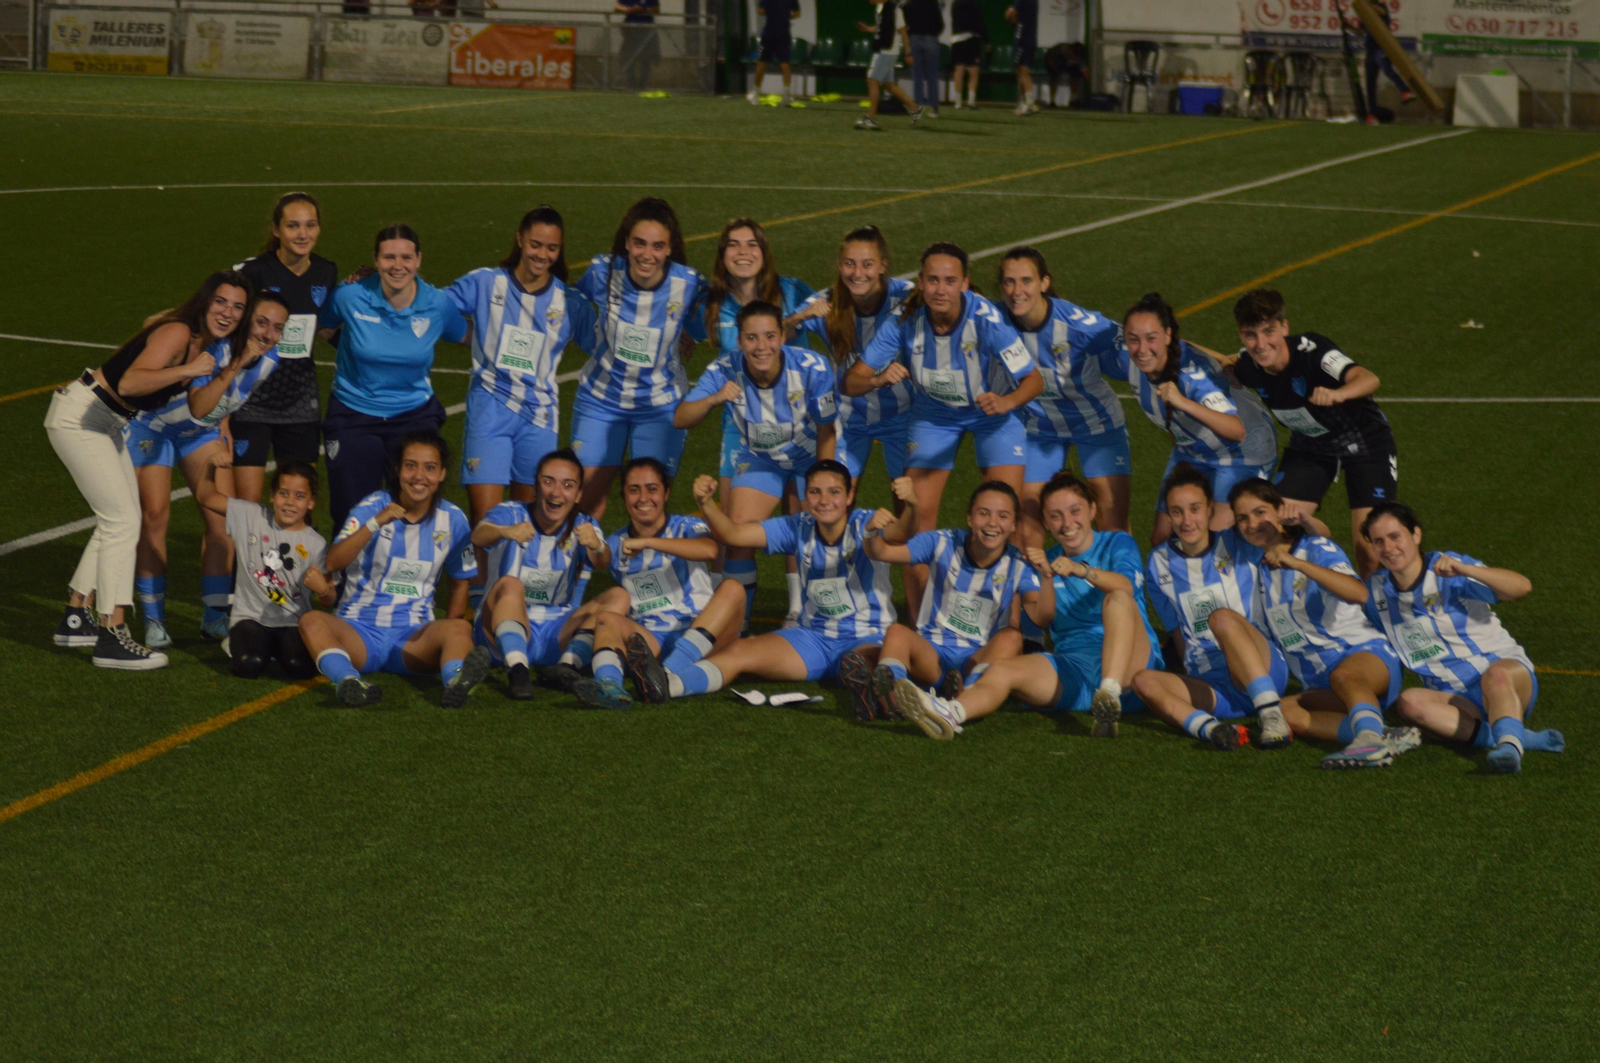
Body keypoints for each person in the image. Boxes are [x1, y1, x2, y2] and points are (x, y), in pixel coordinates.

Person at [47, 272, 250, 670]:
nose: (228, 312)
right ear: (205, 301)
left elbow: (151, 332)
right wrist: (186, 371)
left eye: (238, 307)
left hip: (105, 421)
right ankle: (112, 634)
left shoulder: (195, 339)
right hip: (83, 417)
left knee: (121, 520)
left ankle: (75, 618)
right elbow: (130, 380)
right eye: (221, 302)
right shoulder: (180, 334)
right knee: (123, 521)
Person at [891, 471, 1164, 739]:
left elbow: (1127, 586)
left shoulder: (1117, 542)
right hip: (1075, 668)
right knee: (1002, 669)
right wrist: (1044, 576)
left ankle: (1110, 692)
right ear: (1045, 522)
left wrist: (1081, 570)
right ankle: (951, 712)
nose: (1067, 523)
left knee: (1117, 597)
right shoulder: (1046, 562)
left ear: (1092, 510)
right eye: (1055, 516)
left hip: (1133, 670)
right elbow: (1039, 619)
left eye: (1074, 511)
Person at [854, 242, 1043, 614]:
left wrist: (1005, 402)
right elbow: (851, 381)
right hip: (934, 415)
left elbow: (1033, 381)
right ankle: (924, 623)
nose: (941, 289)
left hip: (994, 414)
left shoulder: (987, 319)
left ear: (965, 284)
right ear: (921, 282)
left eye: (950, 281)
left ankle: (1010, 628)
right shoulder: (904, 323)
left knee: (1004, 518)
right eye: (934, 280)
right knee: (917, 523)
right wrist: (877, 380)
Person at [626, 461, 909, 700]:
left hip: (866, 636)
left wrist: (911, 506)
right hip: (813, 639)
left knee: (865, 663)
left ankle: (877, 692)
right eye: (815, 492)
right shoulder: (798, 526)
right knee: (738, 652)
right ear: (806, 496)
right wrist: (706, 504)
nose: (824, 500)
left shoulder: (865, 523)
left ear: (849, 496)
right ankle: (668, 684)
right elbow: (735, 535)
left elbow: (900, 532)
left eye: (834, 492)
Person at [445, 205, 598, 607]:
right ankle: (478, 605)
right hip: (490, 411)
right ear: (519, 239)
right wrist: (470, 336)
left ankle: (521, 598)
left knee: (534, 518)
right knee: (488, 518)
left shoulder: (570, 302)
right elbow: (437, 309)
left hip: (540, 419)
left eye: (551, 248)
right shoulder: (485, 283)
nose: (542, 254)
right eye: (535, 244)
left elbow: (603, 344)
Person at [129, 290, 290, 647]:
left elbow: (226, 399)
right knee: (154, 516)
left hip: (198, 432)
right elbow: (199, 401)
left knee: (223, 523)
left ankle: (215, 618)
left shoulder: (270, 358)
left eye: (277, 328)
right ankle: (155, 619)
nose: (267, 334)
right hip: (152, 427)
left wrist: (226, 425)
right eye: (261, 323)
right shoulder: (213, 347)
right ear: (245, 319)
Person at [1228, 478, 1420, 769]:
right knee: (1284, 713)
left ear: (1280, 511)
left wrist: (1298, 564)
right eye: (1242, 518)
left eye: (1259, 512)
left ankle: (1368, 739)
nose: (1252, 523)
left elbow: (1358, 593)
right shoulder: (1257, 568)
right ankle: (1385, 736)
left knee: (1344, 676)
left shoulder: (1314, 547)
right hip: (1320, 683)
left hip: (1365, 657)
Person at [1362, 502, 1563, 774]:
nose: (1388, 548)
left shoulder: (1449, 568)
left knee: (1496, 677)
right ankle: (1516, 736)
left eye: (1395, 536)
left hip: (1506, 679)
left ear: (1416, 535)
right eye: (1379, 541)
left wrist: (1467, 570)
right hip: (1455, 700)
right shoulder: (1377, 591)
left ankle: (1509, 749)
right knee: (1408, 703)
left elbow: (1521, 587)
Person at [675, 301, 839, 627]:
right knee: (737, 533)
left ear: (782, 337)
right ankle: (737, 620)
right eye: (752, 338)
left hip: (811, 456)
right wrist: (713, 398)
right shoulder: (724, 369)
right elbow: (681, 418)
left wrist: (825, 484)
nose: (761, 347)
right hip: (763, 459)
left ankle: (809, 614)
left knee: (820, 530)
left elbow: (827, 431)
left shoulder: (813, 368)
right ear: (739, 341)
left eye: (769, 337)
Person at [299, 431, 490, 708]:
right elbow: (332, 562)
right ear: (398, 470)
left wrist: (448, 636)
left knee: (459, 627)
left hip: (413, 638)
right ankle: (349, 682)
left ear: (441, 474)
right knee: (311, 621)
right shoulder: (371, 507)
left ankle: (455, 682)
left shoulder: (453, 520)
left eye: (430, 468)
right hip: (359, 630)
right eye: (410, 465)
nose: (419, 476)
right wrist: (375, 523)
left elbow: (461, 581)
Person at [1219, 288, 1398, 577]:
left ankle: (1377, 616)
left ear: (1284, 327)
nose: (1261, 344)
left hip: (1365, 444)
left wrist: (1339, 394)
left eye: (1269, 331)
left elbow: (1368, 378)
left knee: (1371, 554)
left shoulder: (1313, 351)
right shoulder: (1250, 366)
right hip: (1311, 447)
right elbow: (1225, 361)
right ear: (1242, 336)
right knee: (1276, 529)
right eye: (1251, 335)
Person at [848, 480, 1051, 722]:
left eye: (1003, 516)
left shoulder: (1019, 564)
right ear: (969, 518)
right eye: (983, 513)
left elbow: (1041, 616)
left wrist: (1047, 577)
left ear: (1014, 524)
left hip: (977, 659)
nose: (992, 523)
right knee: (896, 632)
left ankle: (967, 694)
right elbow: (882, 552)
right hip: (931, 654)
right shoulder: (942, 542)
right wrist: (871, 532)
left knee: (1012, 637)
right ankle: (894, 695)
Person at [318, 223, 469, 533]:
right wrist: (350, 346)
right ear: (376, 259)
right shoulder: (349, 296)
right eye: (389, 257)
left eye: (406, 258)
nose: (398, 266)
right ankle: (348, 580)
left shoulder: (437, 304)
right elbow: (324, 327)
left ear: (418, 260)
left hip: (413, 415)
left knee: (414, 508)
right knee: (351, 513)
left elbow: (469, 335)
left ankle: (408, 575)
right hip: (353, 414)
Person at [1132, 463, 1292, 751]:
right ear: (1167, 515)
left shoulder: (1239, 542)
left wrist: (1296, 523)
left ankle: (1271, 714)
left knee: (1220, 619)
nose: (1186, 520)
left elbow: (1292, 540)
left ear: (1210, 509)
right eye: (1177, 511)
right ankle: (1213, 730)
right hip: (1214, 687)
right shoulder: (1158, 563)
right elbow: (1178, 632)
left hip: (1262, 669)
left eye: (1194, 509)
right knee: (1143, 681)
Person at [705, 219, 815, 623]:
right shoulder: (712, 302)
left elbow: (835, 318)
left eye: (751, 244)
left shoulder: (792, 290)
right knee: (736, 526)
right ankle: (733, 615)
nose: (742, 252)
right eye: (732, 245)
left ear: (764, 252)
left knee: (801, 513)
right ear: (723, 255)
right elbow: (682, 328)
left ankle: (799, 609)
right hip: (743, 428)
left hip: (798, 424)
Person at [571, 457, 747, 710]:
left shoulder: (686, 525)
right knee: (607, 619)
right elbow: (601, 558)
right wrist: (595, 545)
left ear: (666, 494)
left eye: (652, 489)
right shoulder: (616, 542)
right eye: (634, 490)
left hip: (704, 634)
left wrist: (648, 543)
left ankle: (665, 674)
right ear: (624, 497)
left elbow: (709, 550)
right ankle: (609, 687)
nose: (643, 498)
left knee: (733, 589)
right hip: (650, 642)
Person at [571, 197, 708, 519]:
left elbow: (716, 317)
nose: (648, 254)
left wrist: (688, 328)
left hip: (660, 406)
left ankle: (644, 567)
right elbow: (567, 301)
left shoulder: (688, 283)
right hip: (600, 400)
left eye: (658, 246)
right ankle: (578, 569)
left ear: (670, 248)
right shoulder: (602, 271)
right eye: (640, 244)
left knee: (649, 505)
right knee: (585, 499)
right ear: (626, 244)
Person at [1117, 292, 1277, 545]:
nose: (1142, 349)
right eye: (1133, 339)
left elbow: (1236, 431)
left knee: (1212, 544)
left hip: (1241, 452)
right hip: (1191, 451)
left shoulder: (1194, 378)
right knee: (1161, 540)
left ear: (1168, 335)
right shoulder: (1129, 355)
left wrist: (1183, 403)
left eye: (1151, 338)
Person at [997, 246, 1132, 542]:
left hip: (1096, 425)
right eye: (1009, 281)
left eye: (1026, 281)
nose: (1017, 291)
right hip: (1039, 430)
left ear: (1045, 283)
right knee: (1025, 532)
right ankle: (1043, 588)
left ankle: (1121, 588)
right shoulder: (995, 321)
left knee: (1114, 530)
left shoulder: (1078, 324)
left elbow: (1146, 337)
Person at [471, 448, 617, 700]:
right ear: (536, 486)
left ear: (579, 494)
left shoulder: (585, 525)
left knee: (618, 596)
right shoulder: (511, 513)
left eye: (568, 485)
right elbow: (478, 535)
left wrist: (598, 545)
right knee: (511, 585)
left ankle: (566, 667)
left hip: (557, 636)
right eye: (548, 481)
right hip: (497, 635)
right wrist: (505, 532)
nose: (556, 492)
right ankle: (518, 671)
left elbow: (603, 561)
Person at [229, 192, 339, 511]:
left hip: (300, 402)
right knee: (248, 508)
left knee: (297, 504)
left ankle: (293, 563)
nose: (302, 234)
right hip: (252, 399)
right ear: (277, 230)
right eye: (293, 226)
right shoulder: (254, 272)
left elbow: (323, 325)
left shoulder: (325, 271)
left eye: (310, 225)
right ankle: (249, 564)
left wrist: (366, 347)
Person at [787, 225, 915, 489]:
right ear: (839, 265)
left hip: (903, 415)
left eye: (867, 264)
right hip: (847, 419)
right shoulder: (827, 303)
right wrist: (800, 317)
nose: (858, 274)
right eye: (849, 264)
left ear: (883, 265)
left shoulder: (908, 297)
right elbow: (770, 333)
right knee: (834, 500)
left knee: (905, 502)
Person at [193, 458, 334, 680]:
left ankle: (272, 647)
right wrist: (210, 465)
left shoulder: (316, 544)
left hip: (293, 622)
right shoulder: (250, 516)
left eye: (299, 496)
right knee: (250, 664)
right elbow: (206, 496)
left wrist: (323, 589)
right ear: (272, 495)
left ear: (311, 502)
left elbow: (329, 599)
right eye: (283, 493)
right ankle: (241, 642)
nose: (289, 502)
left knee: (300, 667)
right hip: (250, 619)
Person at [855, 0, 924, 131]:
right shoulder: (880, 8)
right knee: (888, 84)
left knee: (872, 80)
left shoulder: (894, 10)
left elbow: (903, 31)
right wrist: (868, 28)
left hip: (887, 51)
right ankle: (915, 108)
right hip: (883, 49)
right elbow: (881, 28)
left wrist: (908, 53)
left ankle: (871, 118)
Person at [1362, 0, 1414, 123]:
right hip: (1370, 50)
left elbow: (1381, 11)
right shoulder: (1364, 12)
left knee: (1387, 70)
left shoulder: (1380, 7)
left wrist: (1366, 4)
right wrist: (1348, 27)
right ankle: (1372, 113)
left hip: (1381, 48)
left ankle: (1405, 91)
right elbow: (1360, 31)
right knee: (1370, 84)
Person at [747, 0, 801, 106]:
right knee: (784, 63)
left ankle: (755, 94)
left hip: (769, 33)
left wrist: (772, 12)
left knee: (762, 62)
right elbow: (797, 13)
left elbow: (761, 11)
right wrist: (785, 15)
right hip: (784, 33)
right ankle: (786, 97)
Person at [902, 0, 944, 117]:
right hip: (931, 38)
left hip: (914, 38)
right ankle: (934, 107)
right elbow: (940, 24)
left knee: (917, 75)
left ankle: (918, 106)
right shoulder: (933, 3)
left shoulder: (909, 4)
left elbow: (904, 24)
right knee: (932, 75)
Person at [949, 0, 987, 109]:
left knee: (958, 70)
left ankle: (958, 102)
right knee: (973, 70)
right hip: (971, 39)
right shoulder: (973, 4)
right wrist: (986, 40)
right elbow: (979, 22)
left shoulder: (955, 4)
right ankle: (971, 101)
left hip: (956, 39)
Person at [615, 0, 661, 91]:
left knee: (645, 59)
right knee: (627, 58)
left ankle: (642, 85)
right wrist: (629, 9)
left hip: (646, 31)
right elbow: (617, 7)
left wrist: (644, 10)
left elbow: (656, 9)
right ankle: (631, 84)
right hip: (630, 31)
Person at [1005, 0, 1039, 116]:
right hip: (1030, 38)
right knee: (1022, 70)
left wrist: (1011, 17)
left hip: (1023, 39)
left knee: (1022, 70)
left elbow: (1010, 14)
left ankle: (1029, 104)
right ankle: (1026, 102)